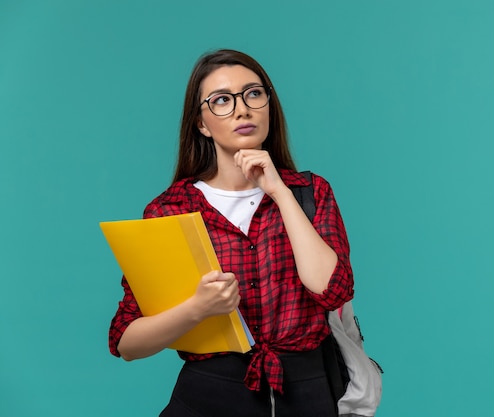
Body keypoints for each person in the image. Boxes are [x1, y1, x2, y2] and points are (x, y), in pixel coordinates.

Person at [108, 49, 354, 417]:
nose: (242, 109)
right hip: (209, 396)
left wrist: (279, 193)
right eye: (222, 100)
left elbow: (332, 290)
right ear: (202, 123)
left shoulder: (309, 192)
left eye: (254, 94)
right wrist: (198, 309)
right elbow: (126, 341)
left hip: (308, 395)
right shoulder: (170, 210)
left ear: (269, 105)